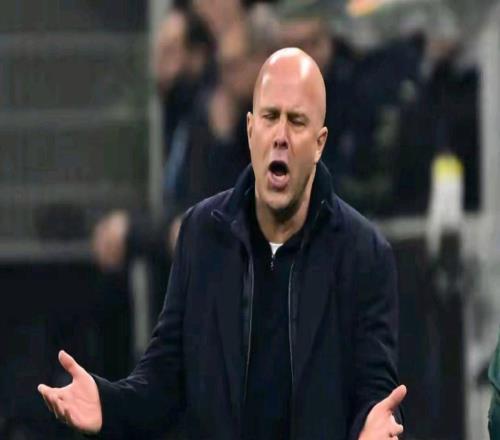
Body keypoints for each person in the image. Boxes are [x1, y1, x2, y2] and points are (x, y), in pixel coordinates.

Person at [38, 47, 406, 439]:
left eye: (297, 122)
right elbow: (162, 380)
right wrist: (107, 403)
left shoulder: (363, 254)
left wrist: (375, 428)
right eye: (270, 117)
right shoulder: (202, 234)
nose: (280, 137)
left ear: (319, 143)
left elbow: (377, 398)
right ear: (250, 130)